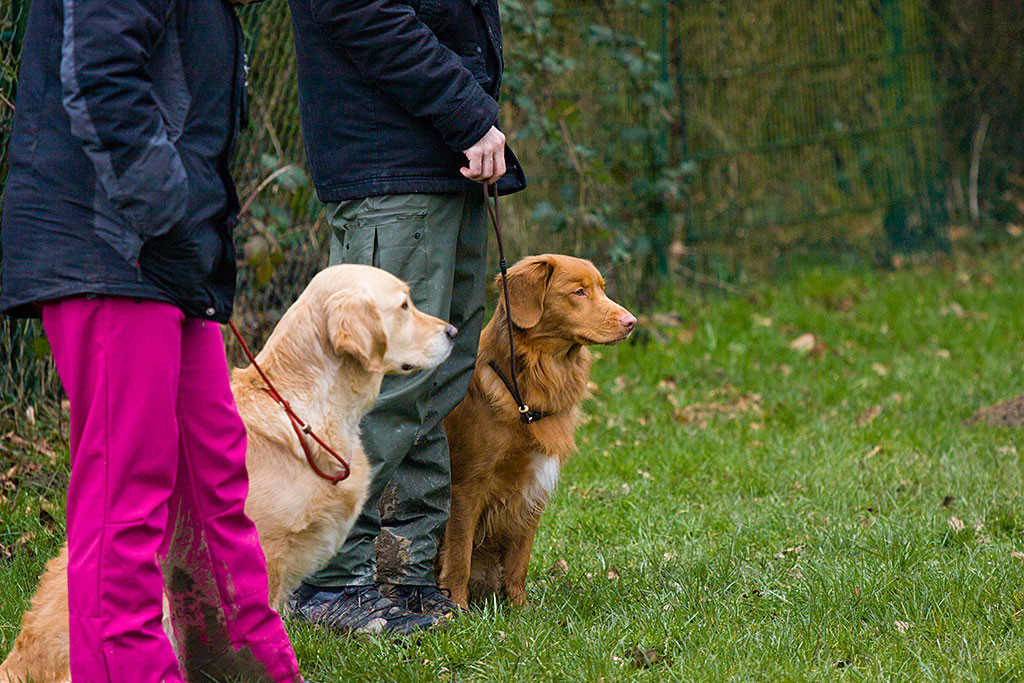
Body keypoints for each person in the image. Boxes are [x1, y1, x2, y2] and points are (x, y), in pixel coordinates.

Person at [0, 1, 303, 681]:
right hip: (111, 244)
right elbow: (101, 70)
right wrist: (168, 203)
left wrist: (187, 226)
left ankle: (248, 671)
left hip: (166, 254)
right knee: (126, 490)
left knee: (212, 476)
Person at [286, 0, 527, 635]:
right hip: (389, 165)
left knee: (440, 375)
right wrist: (469, 113)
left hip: (439, 159)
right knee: (382, 387)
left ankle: (407, 573)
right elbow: (363, 12)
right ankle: (330, 581)